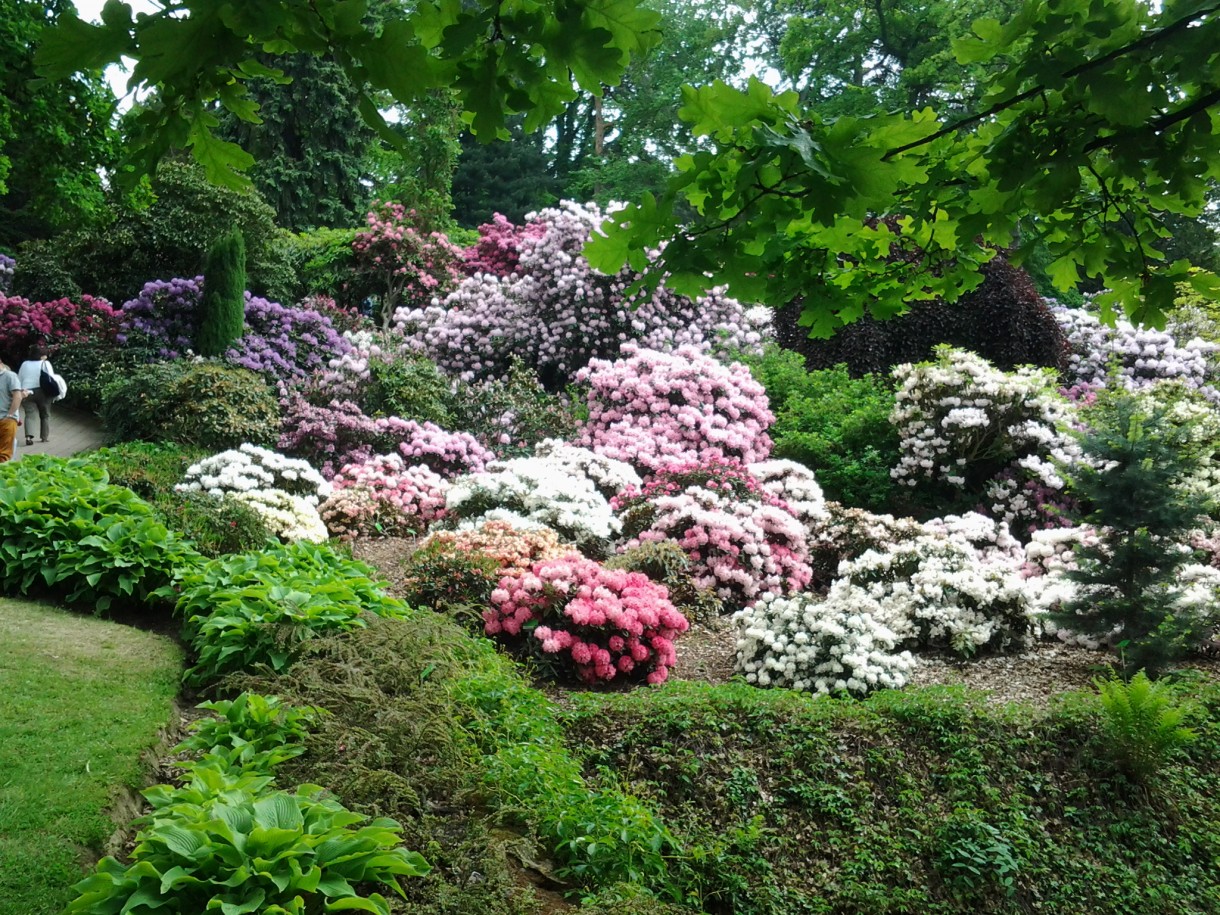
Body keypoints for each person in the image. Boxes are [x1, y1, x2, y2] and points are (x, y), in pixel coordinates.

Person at [17, 343, 54, 446]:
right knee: (45, 414)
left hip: (26, 391)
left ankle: (29, 437)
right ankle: (44, 437)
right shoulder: (45, 364)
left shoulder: (25, 364)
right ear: (42, 355)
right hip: (43, 391)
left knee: (29, 414)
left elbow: (19, 378)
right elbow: (51, 378)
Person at [0, 354, 24, 462]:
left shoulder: (10, 376)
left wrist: (10, 415)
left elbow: (17, 396)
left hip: (6, 419)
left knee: (4, 455)